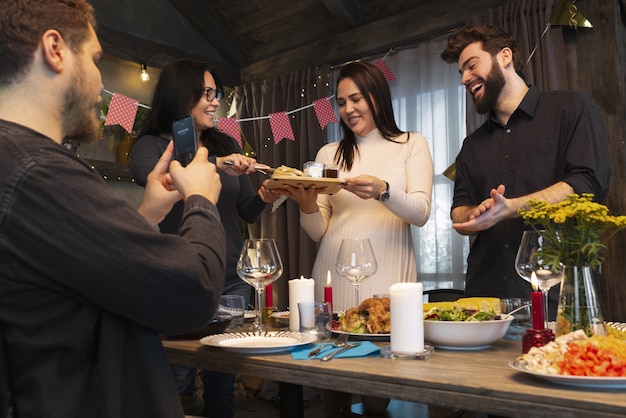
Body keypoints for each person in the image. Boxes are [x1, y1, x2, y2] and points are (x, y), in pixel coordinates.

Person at [0, 1, 228, 417]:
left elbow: (84, 279)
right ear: (55, 49)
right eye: (95, 58)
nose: (99, 79)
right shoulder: (37, 173)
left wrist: (147, 216)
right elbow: (191, 292)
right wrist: (200, 200)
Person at [130, 59, 278, 418]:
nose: (215, 103)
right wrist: (219, 165)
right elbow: (155, 178)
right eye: (207, 94)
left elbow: (246, 211)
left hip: (231, 279)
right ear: (184, 96)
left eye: (217, 95)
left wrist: (268, 194)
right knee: (177, 375)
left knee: (222, 378)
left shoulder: (226, 141)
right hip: (178, 277)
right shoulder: (151, 146)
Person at [440, 24, 610, 318]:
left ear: (504, 57)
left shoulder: (572, 109)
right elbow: (458, 208)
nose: (465, 78)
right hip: (486, 308)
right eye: (461, 73)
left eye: (471, 65)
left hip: (560, 302)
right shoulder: (472, 145)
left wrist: (512, 208)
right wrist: (476, 214)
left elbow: (587, 184)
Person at [279, 61, 433, 312]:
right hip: (332, 274)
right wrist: (307, 206)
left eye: (355, 99)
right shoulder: (328, 153)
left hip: (389, 277)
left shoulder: (411, 144)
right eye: (341, 103)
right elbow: (318, 232)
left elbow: (421, 214)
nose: (348, 109)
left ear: (377, 98)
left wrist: (383, 191)